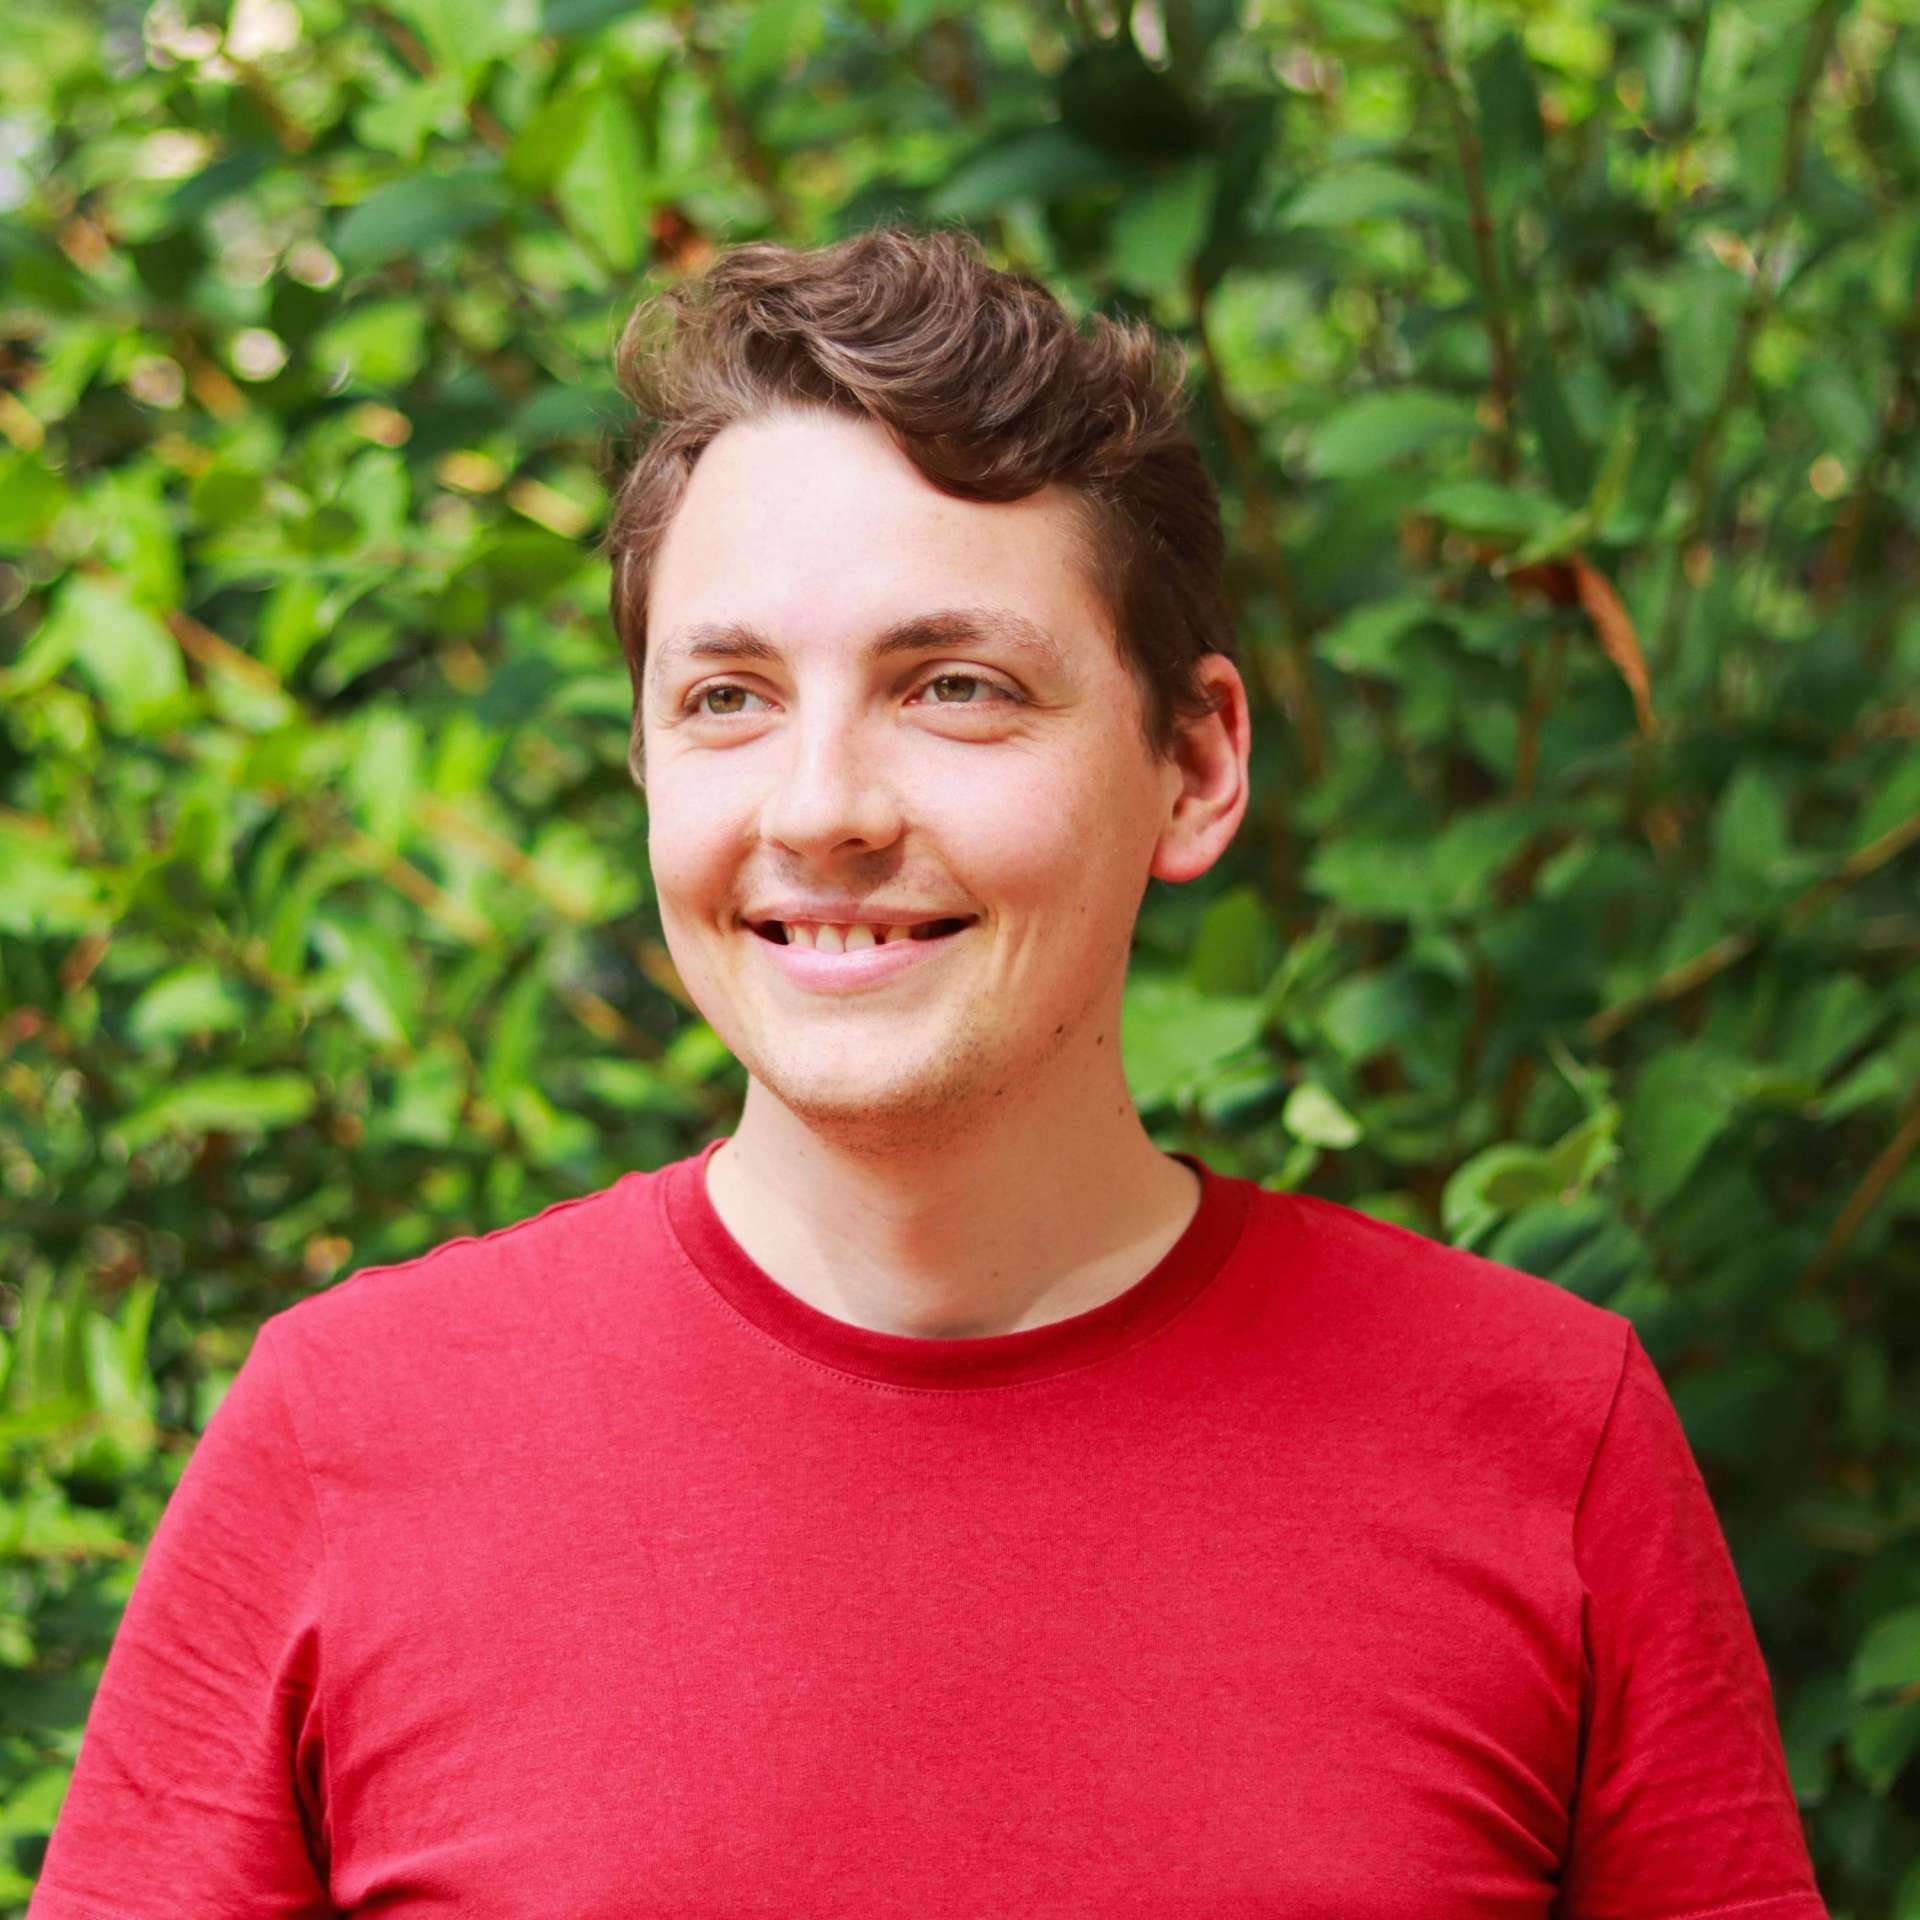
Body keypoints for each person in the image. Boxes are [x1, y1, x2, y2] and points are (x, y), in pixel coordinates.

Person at [31, 227, 1826, 1918]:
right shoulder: (344, 1439)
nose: (822, 807)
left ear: (1197, 762)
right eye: (728, 697)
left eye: (954, 686)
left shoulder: (1543, 1435)